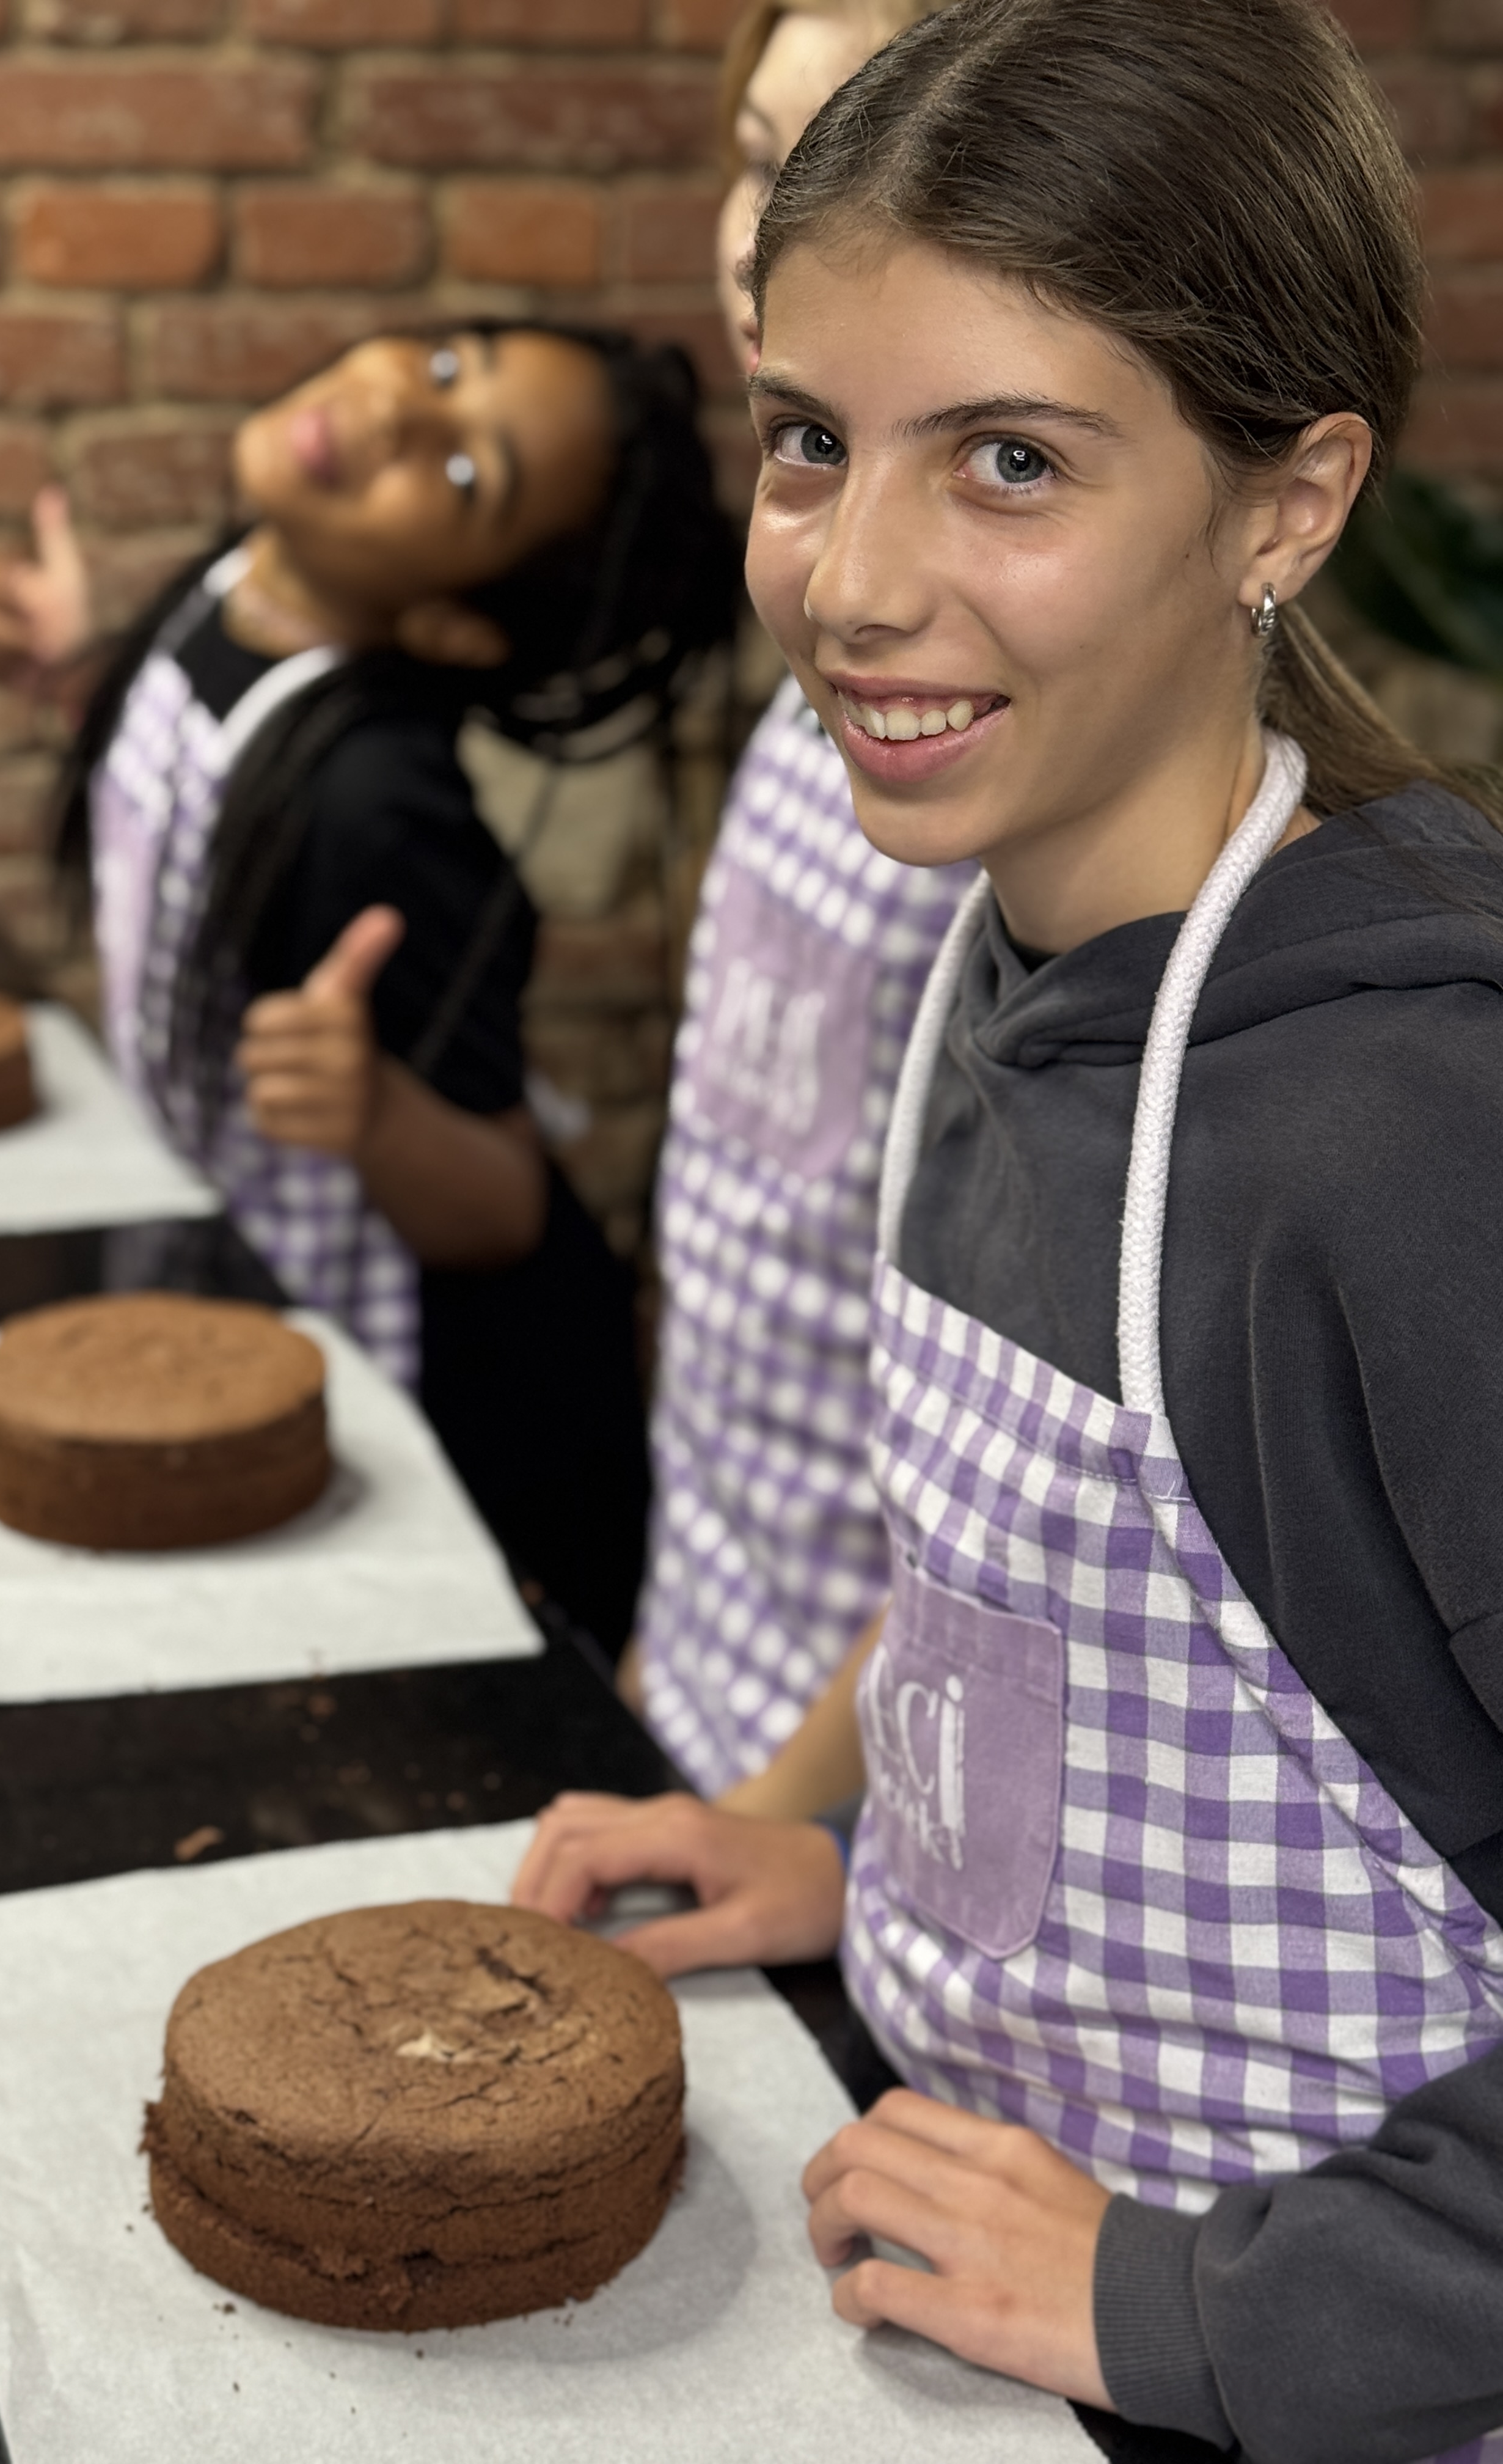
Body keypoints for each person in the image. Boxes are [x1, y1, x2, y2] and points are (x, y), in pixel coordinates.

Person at [516, 2, 1503, 2454]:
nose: (852, 581)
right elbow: (1044, 1581)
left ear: (1288, 504)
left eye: (1017, 464)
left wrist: (1213, 2307)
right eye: (816, 443)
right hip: (988, 2289)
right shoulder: (1010, 947)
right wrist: (824, 1834)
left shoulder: (1405, 1137)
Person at [0, 326, 741, 1652]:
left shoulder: (381, 805)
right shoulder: (240, 583)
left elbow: (499, 1206)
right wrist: (88, 674)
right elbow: (212, 786)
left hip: (464, 1418)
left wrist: (369, 1107)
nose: (391, 410)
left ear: (448, 621)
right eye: (447, 366)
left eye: (459, 479)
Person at [632, 0, 972, 1808]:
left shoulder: (1002, 732)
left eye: (860, 171)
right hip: (710, 1695)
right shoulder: (828, 631)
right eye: (764, 158)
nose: (769, 246)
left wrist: (769, 1812)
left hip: (884, 1804)